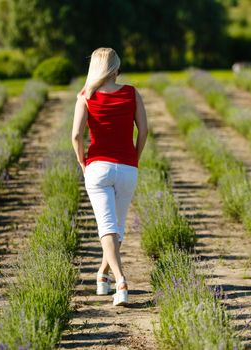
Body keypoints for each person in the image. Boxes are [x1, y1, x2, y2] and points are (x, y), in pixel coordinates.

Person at [71, 47, 148, 306]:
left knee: (107, 227)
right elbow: (144, 131)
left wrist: (82, 162)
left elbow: (75, 136)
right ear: (116, 69)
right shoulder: (132, 93)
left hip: (97, 167)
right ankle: (103, 275)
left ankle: (120, 280)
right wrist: (134, 158)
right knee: (116, 227)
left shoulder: (85, 96)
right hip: (127, 167)